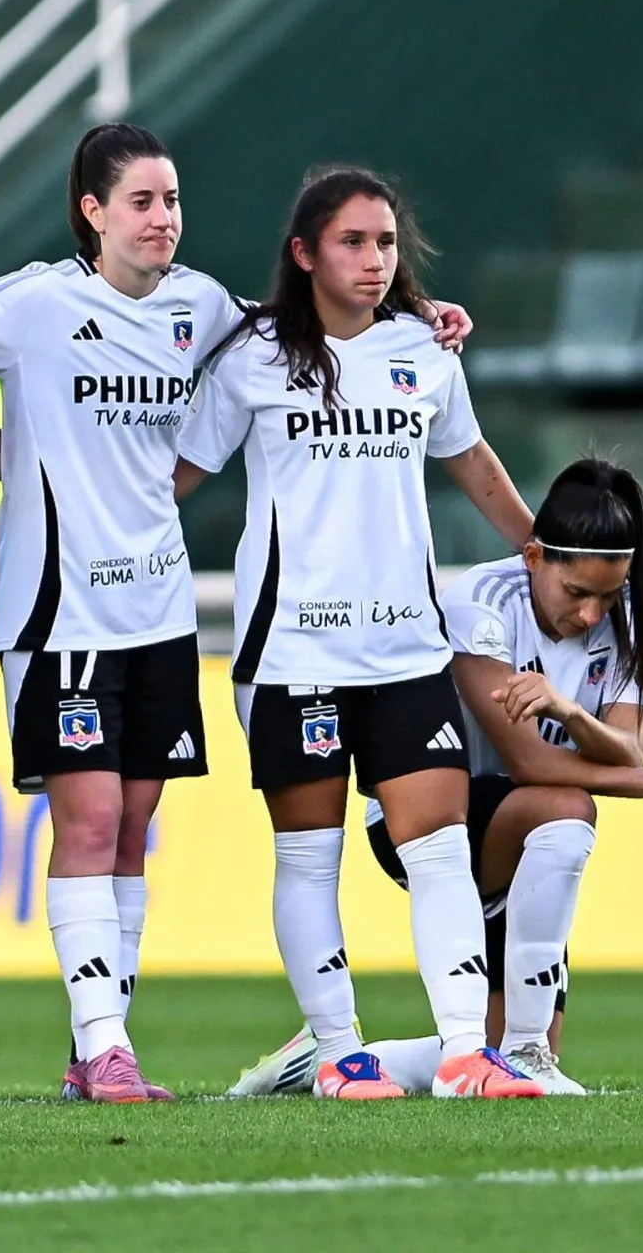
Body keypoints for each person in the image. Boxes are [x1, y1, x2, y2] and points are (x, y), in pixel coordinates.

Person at [0, 125, 475, 1102]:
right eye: (140, 201)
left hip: (159, 609)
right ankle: (98, 1043)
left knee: (132, 824)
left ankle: (101, 1044)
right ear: (90, 212)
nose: (162, 218)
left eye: (171, 200)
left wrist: (422, 312)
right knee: (87, 818)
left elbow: (316, 318)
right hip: (57, 611)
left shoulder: (205, 308)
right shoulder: (23, 307)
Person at [174, 164, 545, 1100]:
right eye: (353, 242)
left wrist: (540, 549)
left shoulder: (424, 349)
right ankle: (339, 1052)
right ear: (304, 254)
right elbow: (172, 476)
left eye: (386, 243)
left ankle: (467, 1049)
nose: (375, 261)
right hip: (292, 653)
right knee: (310, 853)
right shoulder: (251, 356)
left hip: (407, 651)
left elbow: (471, 459)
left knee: (439, 848)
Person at [231, 457, 643, 1098]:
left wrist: (571, 711)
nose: (590, 614)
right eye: (576, 592)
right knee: (570, 809)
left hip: (525, 834)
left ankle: (323, 1065)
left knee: (486, 1049)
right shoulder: (482, 603)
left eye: (607, 595)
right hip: (436, 819)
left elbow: (629, 751)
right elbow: (528, 763)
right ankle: (528, 1052)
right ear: (533, 557)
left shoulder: (630, 622)